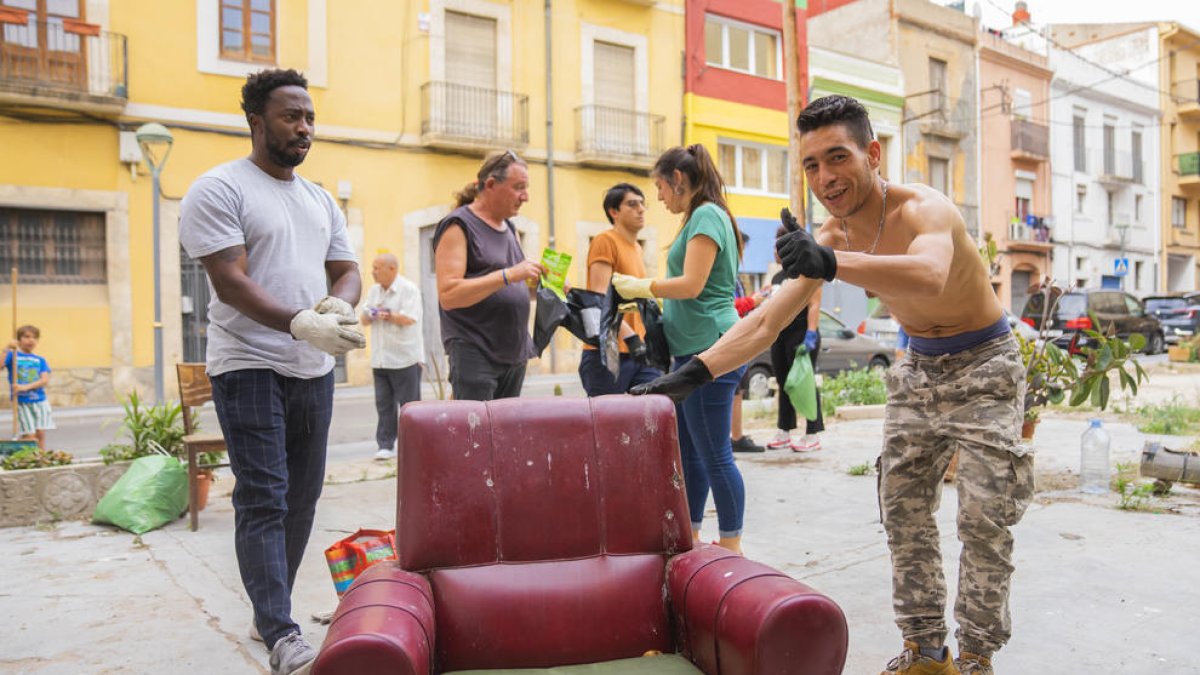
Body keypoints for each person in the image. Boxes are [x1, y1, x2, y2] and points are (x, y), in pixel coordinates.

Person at [633, 95, 1031, 675]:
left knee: (984, 518)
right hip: (920, 367)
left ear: (873, 154)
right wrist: (691, 375)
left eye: (838, 157)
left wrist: (829, 262)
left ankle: (976, 657)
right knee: (903, 512)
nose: (825, 177)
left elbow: (929, 273)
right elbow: (767, 321)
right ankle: (925, 652)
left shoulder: (925, 209)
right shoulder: (833, 235)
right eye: (812, 165)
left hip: (985, 363)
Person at [179, 68, 365, 675]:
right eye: (291, 116)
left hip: (312, 367)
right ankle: (281, 632)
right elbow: (230, 281)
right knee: (264, 497)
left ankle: (268, 610)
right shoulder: (219, 188)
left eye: (309, 117)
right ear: (256, 121)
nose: (304, 128)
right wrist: (297, 322)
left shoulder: (319, 199)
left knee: (303, 498)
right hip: (248, 363)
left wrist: (339, 306)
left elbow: (347, 269)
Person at [611, 144, 748, 555]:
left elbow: (692, 285)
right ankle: (692, 535)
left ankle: (731, 544)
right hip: (694, 350)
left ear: (678, 179)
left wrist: (642, 286)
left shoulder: (706, 215)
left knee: (715, 454)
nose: (658, 197)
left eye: (660, 187)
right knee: (691, 452)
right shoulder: (702, 216)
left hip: (711, 349)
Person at [433, 151, 545, 401]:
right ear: (492, 184)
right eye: (519, 187)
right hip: (476, 352)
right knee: (475, 426)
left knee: (506, 426)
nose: (525, 196)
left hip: (514, 354)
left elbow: (511, 288)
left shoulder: (510, 228)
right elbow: (449, 295)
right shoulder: (458, 225)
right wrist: (509, 274)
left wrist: (545, 287)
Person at [579, 183, 663, 395]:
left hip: (640, 351)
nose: (641, 209)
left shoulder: (637, 248)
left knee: (653, 406)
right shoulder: (604, 241)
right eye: (632, 204)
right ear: (614, 212)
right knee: (608, 416)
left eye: (642, 204)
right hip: (608, 353)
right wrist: (630, 336)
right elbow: (599, 297)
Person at [765, 231, 825, 453]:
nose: (776, 251)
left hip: (802, 334)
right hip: (780, 335)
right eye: (775, 247)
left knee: (804, 382)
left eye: (779, 246)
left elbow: (814, 305)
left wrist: (811, 333)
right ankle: (784, 430)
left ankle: (812, 433)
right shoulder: (777, 278)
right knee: (783, 383)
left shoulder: (808, 272)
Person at [360, 253, 424, 461]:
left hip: (405, 358)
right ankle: (385, 445)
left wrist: (384, 314)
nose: (373, 272)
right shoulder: (374, 291)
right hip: (380, 358)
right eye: (373, 267)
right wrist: (373, 313)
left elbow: (409, 318)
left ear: (392, 269)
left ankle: (413, 446)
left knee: (409, 407)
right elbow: (364, 318)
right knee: (384, 405)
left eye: (377, 268)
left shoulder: (409, 289)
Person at [4, 325, 53, 449]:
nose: (31, 340)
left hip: (40, 400)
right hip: (22, 401)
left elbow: (44, 380)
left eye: (34, 338)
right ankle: (25, 454)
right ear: (18, 340)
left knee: (40, 433)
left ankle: (41, 457)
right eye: (26, 337)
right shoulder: (12, 355)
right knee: (30, 435)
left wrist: (24, 387)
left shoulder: (40, 360)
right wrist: (7, 348)